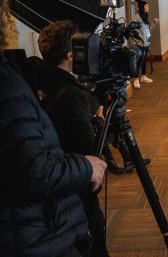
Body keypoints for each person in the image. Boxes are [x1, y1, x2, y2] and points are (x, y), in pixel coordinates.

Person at [0, 0, 107, 256]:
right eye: (5, 13)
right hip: (38, 227)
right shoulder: (10, 84)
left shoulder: (34, 76)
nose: (9, 18)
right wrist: (98, 131)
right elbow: (38, 169)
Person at [36, 20, 110, 256]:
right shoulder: (71, 94)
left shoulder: (40, 79)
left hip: (56, 177)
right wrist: (99, 119)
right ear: (71, 55)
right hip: (75, 182)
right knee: (93, 231)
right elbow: (88, 146)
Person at [132, 0, 159, 89]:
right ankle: (136, 79)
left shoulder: (145, 16)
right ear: (142, 7)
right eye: (146, 6)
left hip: (146, 43)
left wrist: (154, 23)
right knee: (138, 61)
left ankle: (143, 76)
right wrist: (140, 39)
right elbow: (134, 29)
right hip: (140, 44)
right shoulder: (137, 16)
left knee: (144, 60)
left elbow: (147, 29)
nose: (148, 7)